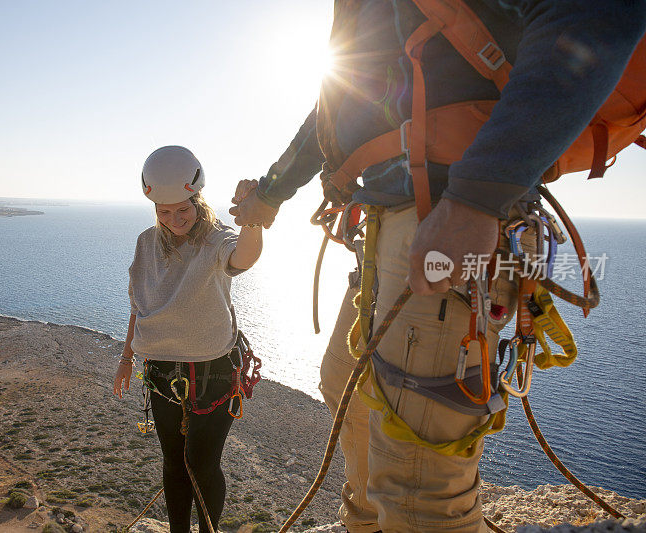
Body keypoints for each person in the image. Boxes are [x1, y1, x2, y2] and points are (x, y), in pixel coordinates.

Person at [231, 2, 646, 532]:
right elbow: (345, 90)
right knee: (345, 388)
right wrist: (271, 192)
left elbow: (594, 14)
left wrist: (476, 199)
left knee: (418, 487)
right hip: (398, 218)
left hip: (445, 211)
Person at [114, 145, 262, 533]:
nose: (175, 219)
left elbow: (243, 258)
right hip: (161, 372)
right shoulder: (147, 242)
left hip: (213, 372)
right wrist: (125, 359)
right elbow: (138, 304)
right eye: (165, 211)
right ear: (154, 209)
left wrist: (254, 219)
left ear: (198, 200)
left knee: (202, 463)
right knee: (172, 462)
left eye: (184, 209)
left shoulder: (216, 239)